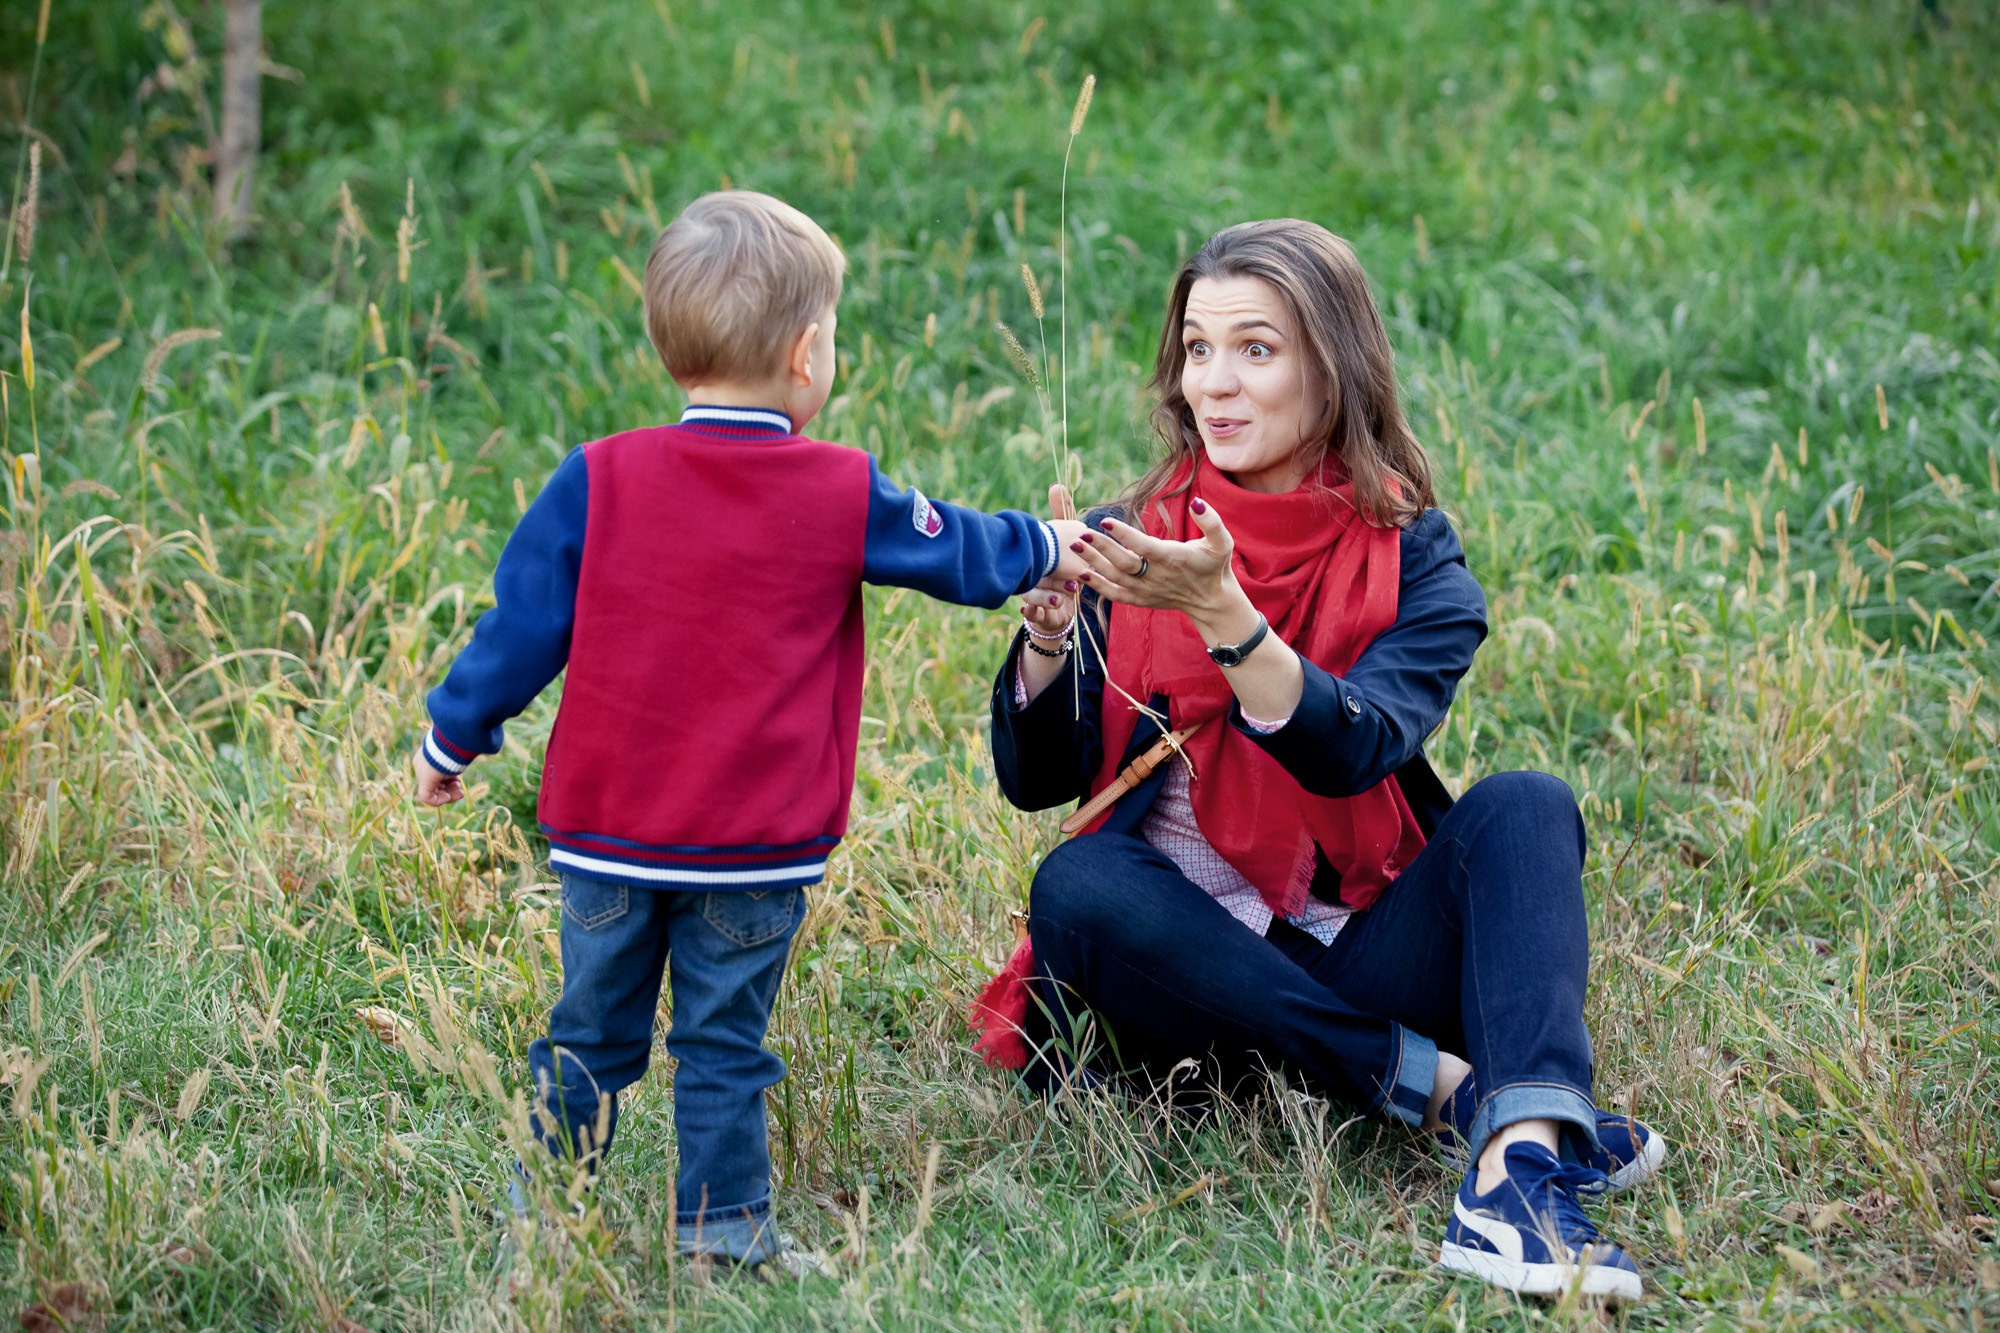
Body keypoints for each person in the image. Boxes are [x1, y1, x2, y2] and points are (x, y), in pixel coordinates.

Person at [972, 219, 1664, 1302]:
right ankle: (1445, 1088)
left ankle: (1516, 1169)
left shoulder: (1414, 558)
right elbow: (1037, 784)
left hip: (1345, 945)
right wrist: (1052, 635)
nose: (1216, 383)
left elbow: (1352, 749)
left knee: (1527, 805)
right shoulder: (1134, 533)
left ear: (1331, 366)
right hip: (1180, 993)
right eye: (1197, 349)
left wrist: (1222, 614)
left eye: (1256, 349)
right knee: (1077, 882)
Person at [412, 190, 1091, 1271]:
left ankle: (538, 1233)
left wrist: (453, 737)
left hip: (605, 837)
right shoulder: (834, 486)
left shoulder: (597, 476)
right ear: (806, 352)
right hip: (751, 848)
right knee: (723, 1044)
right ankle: (720, 1236)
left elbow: (519, 628)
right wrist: (1050, 539)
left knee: (584, 1037)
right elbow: (960, 552)